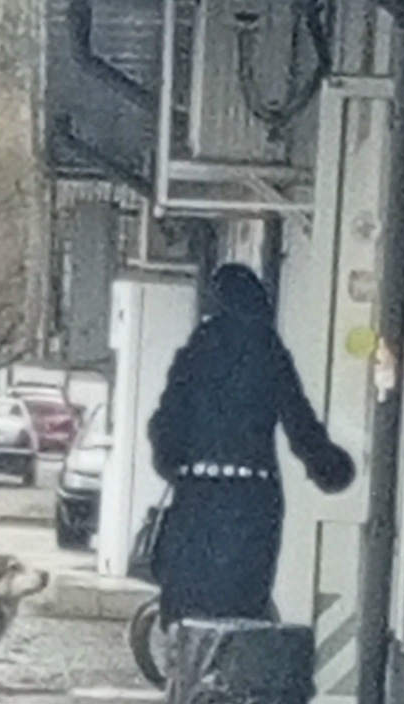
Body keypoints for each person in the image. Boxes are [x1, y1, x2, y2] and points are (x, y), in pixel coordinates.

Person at [147, 263, 355, 626]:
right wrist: (329, 467)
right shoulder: (267, 348)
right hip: (251, 496)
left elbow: (166, 420)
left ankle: (187, 676)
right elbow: (298, 419)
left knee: (190, 605)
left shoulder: (198, 348)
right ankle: (233, 675)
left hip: (198, 495)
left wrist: (174, 466)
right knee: (241, 603)